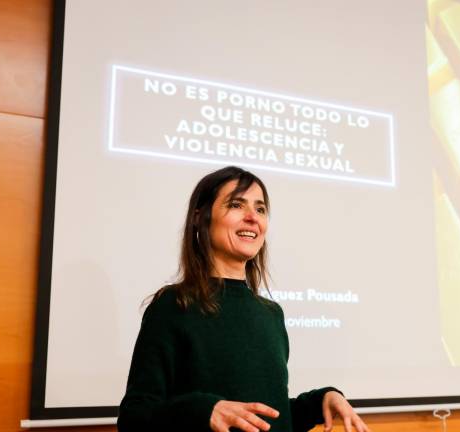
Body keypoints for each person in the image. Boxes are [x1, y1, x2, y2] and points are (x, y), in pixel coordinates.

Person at [118, 166, 368, 432]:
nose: (252, 218)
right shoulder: (173, 305)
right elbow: (135, 416)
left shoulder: (271, 314)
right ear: (200, 217)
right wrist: (205, 411)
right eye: (236, 205)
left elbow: (267, 417)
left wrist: (320, 401)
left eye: (260, 209)